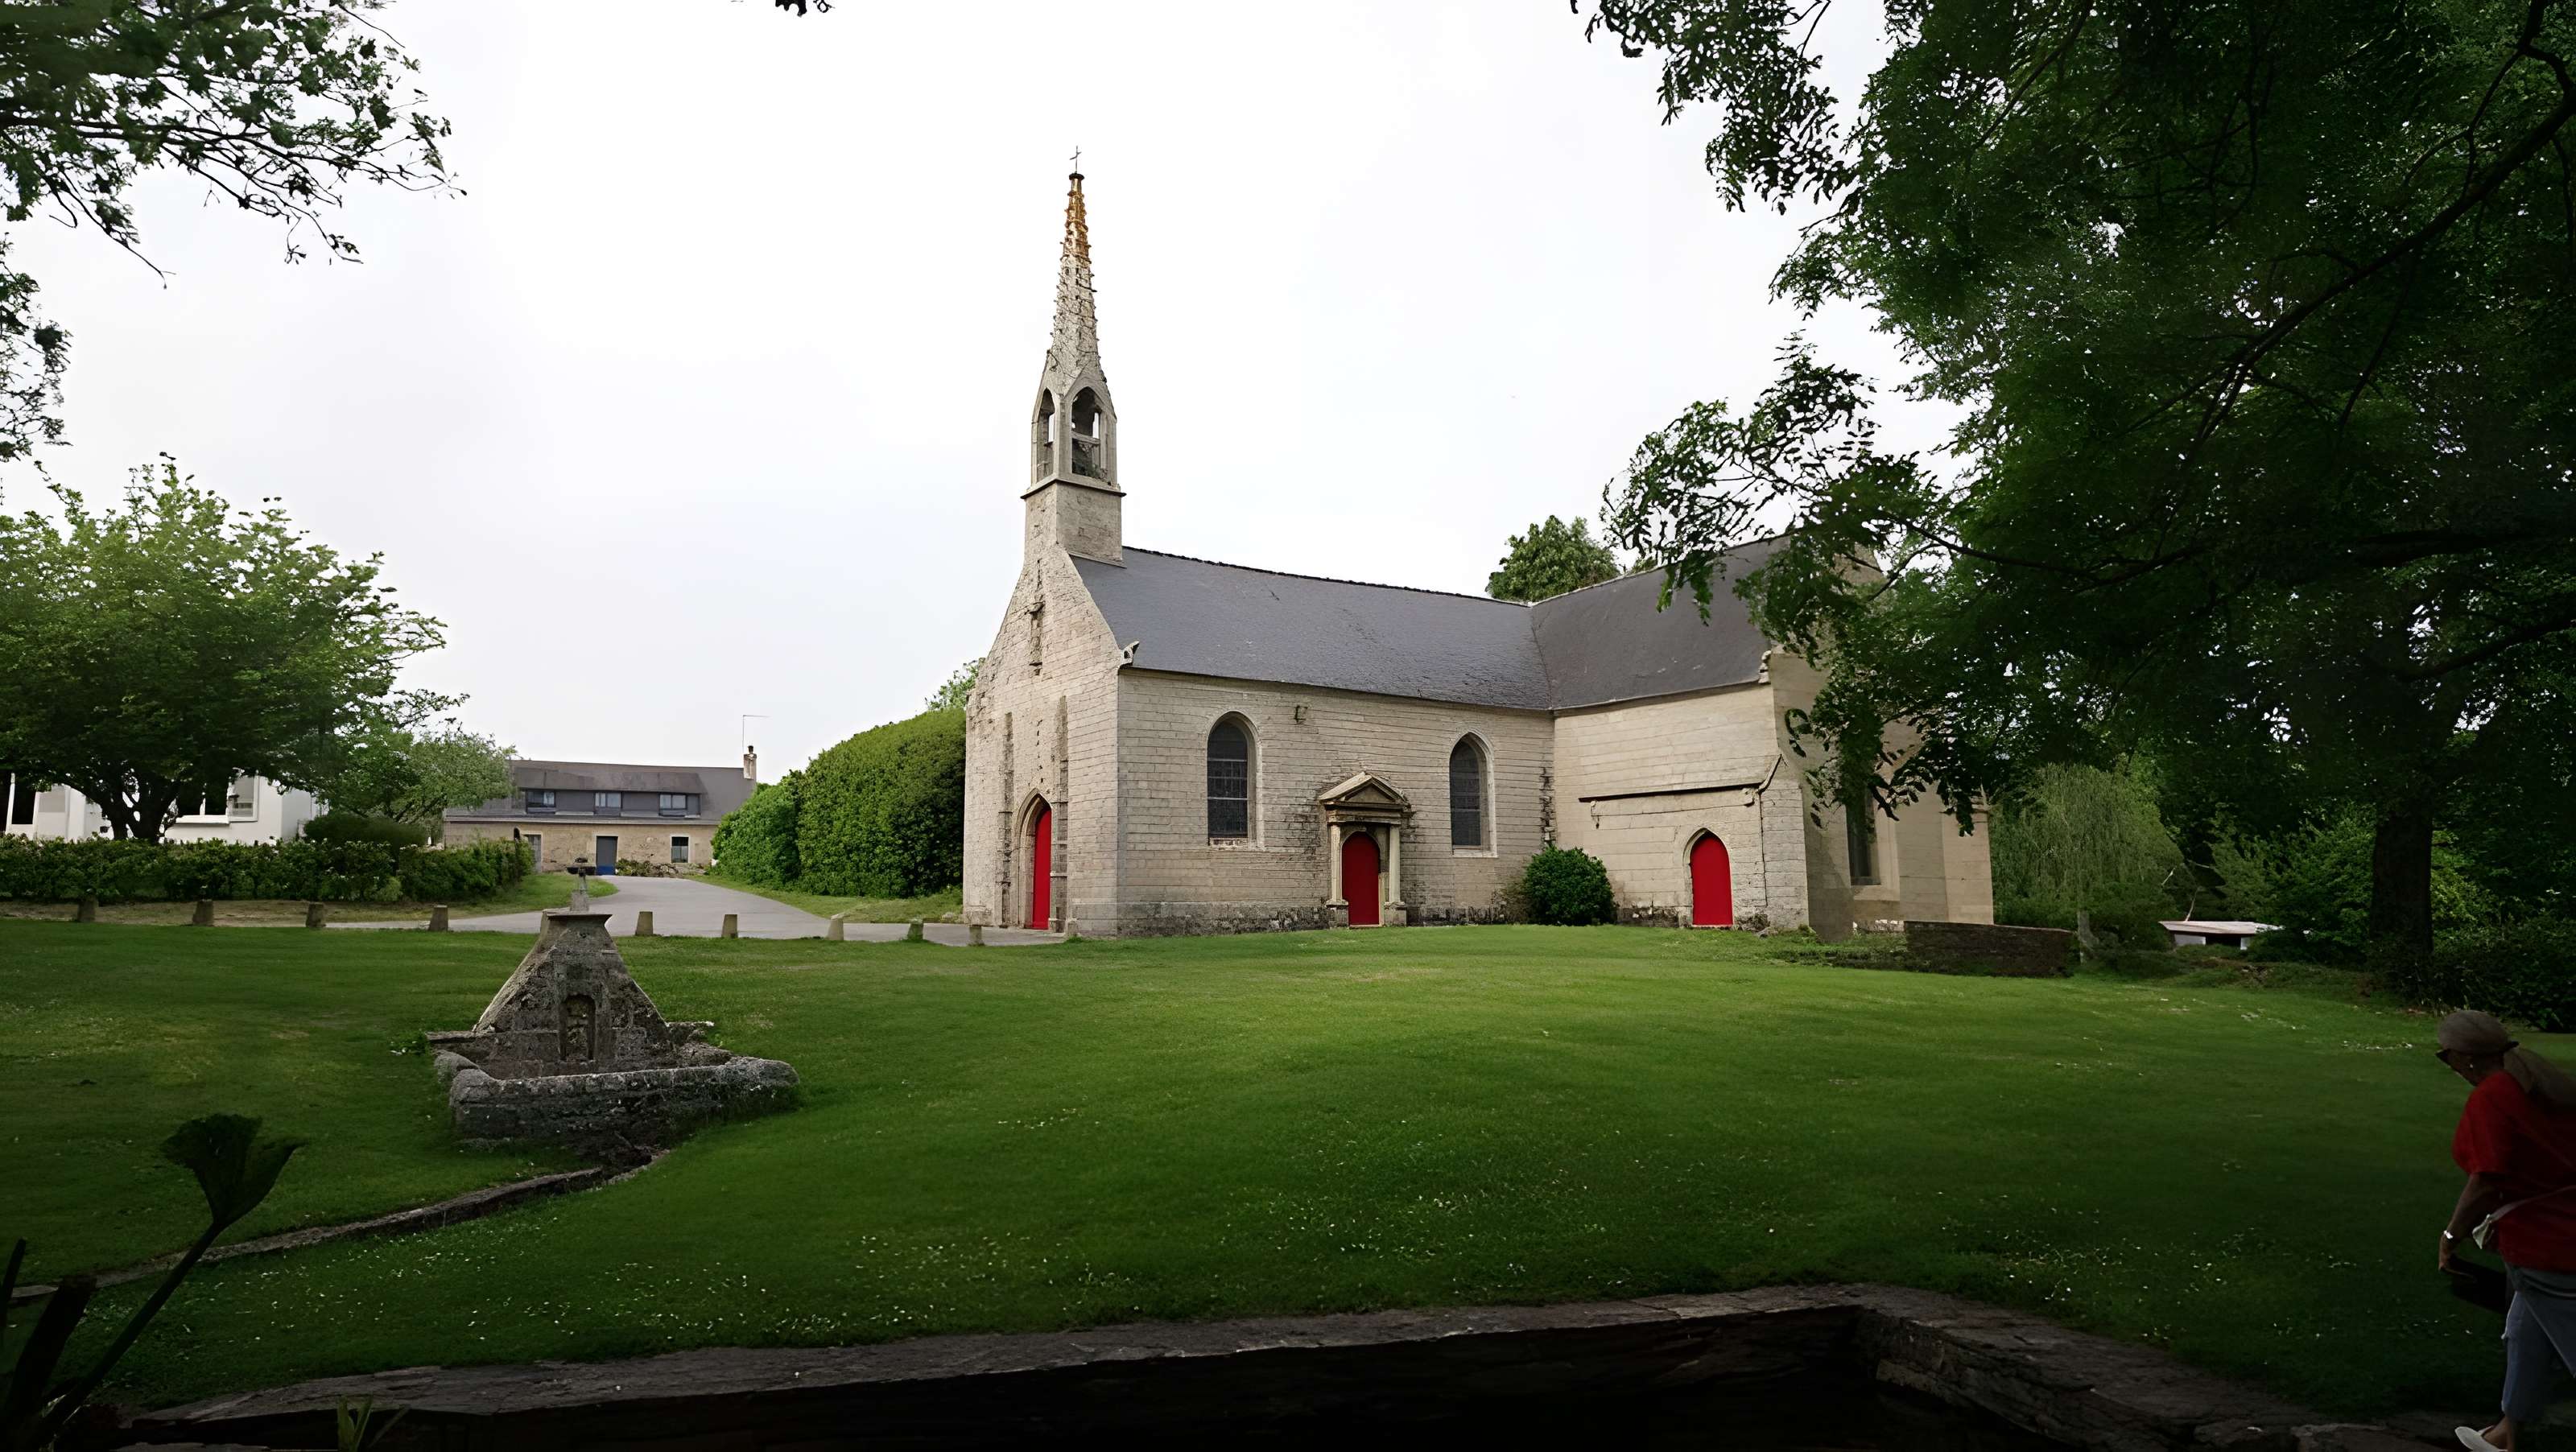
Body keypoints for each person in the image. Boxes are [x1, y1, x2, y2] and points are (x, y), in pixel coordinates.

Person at [2441, 1009, 2576, 1451]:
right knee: (2524, 1333)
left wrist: (2450, 1237)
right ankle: (2506, 1435)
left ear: (2464, 1058)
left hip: (2546, 1244)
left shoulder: (2493, 1097)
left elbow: (2487, 1178)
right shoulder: (2538, 1086)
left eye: (2447, 1057)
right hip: (2557, 1230)